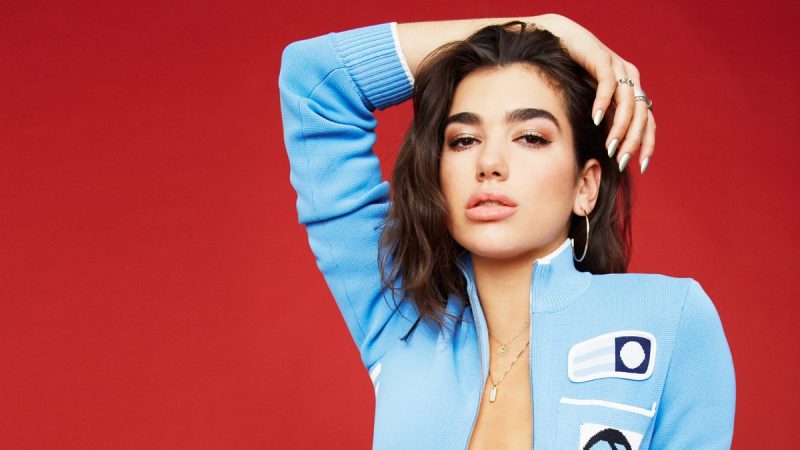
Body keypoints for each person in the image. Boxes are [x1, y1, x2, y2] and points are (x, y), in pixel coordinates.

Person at [278, 14, 735, 450]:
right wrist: (536, 27)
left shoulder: (671, 319)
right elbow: (314, 83)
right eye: (464, 140)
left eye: (530, 137)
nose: (490, 163)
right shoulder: (400, 318)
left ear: (585, 186)